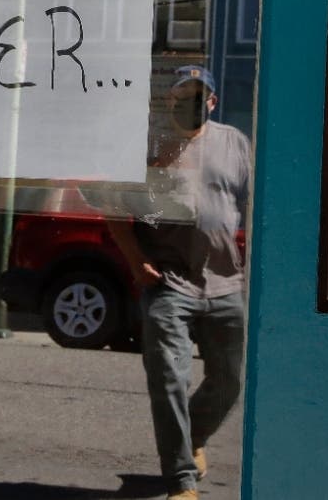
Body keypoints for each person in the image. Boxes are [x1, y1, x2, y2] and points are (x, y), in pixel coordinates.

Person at [109, 65, 251, 500]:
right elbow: (116, 210)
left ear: (212, 101)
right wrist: (136, 262)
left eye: (200, 95)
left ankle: (192, 435)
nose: (192, 102)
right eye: (183, 94)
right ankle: (181, 481)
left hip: (227, 282)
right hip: (169, 281)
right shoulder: (149, 146)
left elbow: (257, 204)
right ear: (169, 99)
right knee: (169, 377)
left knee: (231, 378)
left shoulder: (234, 144)